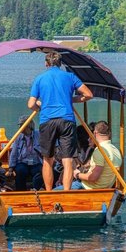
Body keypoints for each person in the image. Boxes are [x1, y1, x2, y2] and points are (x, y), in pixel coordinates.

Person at [27, 51, 93, 191]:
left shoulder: (40, 78)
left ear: (46, 63)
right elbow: (88, 95)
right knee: (67, 160)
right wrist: (72, 100)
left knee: (47, 159)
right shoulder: (70, 76)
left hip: (47, 120)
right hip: (67, 120)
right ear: (60, 63)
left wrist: (40, 106)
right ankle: (67, 192)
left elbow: (31, 104)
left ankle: (49, 192)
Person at [72, 121, 123, 190]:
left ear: (95, 133)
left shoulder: (99, 151)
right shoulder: (116, 150)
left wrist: (77, 174)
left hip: (89, 188)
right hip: (106, 187)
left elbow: (93, 177)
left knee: (56, 190)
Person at [7, 114, 43, 191]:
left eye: (22, 125)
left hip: (36, 162)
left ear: (29, 126)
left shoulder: (39, 135)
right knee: (20, 171)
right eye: (20, 126)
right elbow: (14, 153)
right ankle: (20, 192)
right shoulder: (18, 137)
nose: (20, 128)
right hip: (23, 162)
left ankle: (38, 192)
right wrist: (11, 168)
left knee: (39, 173)